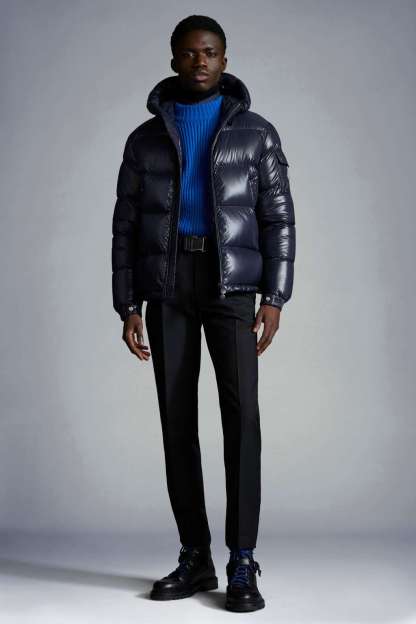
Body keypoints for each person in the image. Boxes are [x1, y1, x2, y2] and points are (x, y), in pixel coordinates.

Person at [111, 14, 296, 613]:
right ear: (174, 60)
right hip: (167, 288)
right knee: (176, 421)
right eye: (190, 53)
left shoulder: (257, 134)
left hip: (231, 287)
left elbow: (278, 218)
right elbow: (124, 225)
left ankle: (242, 558)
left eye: (210, 52)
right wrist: (127, 303)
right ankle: (195, 556)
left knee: (242, 419)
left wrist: (274, 297)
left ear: (224, 59)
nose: (200, 61)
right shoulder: (144, 140)